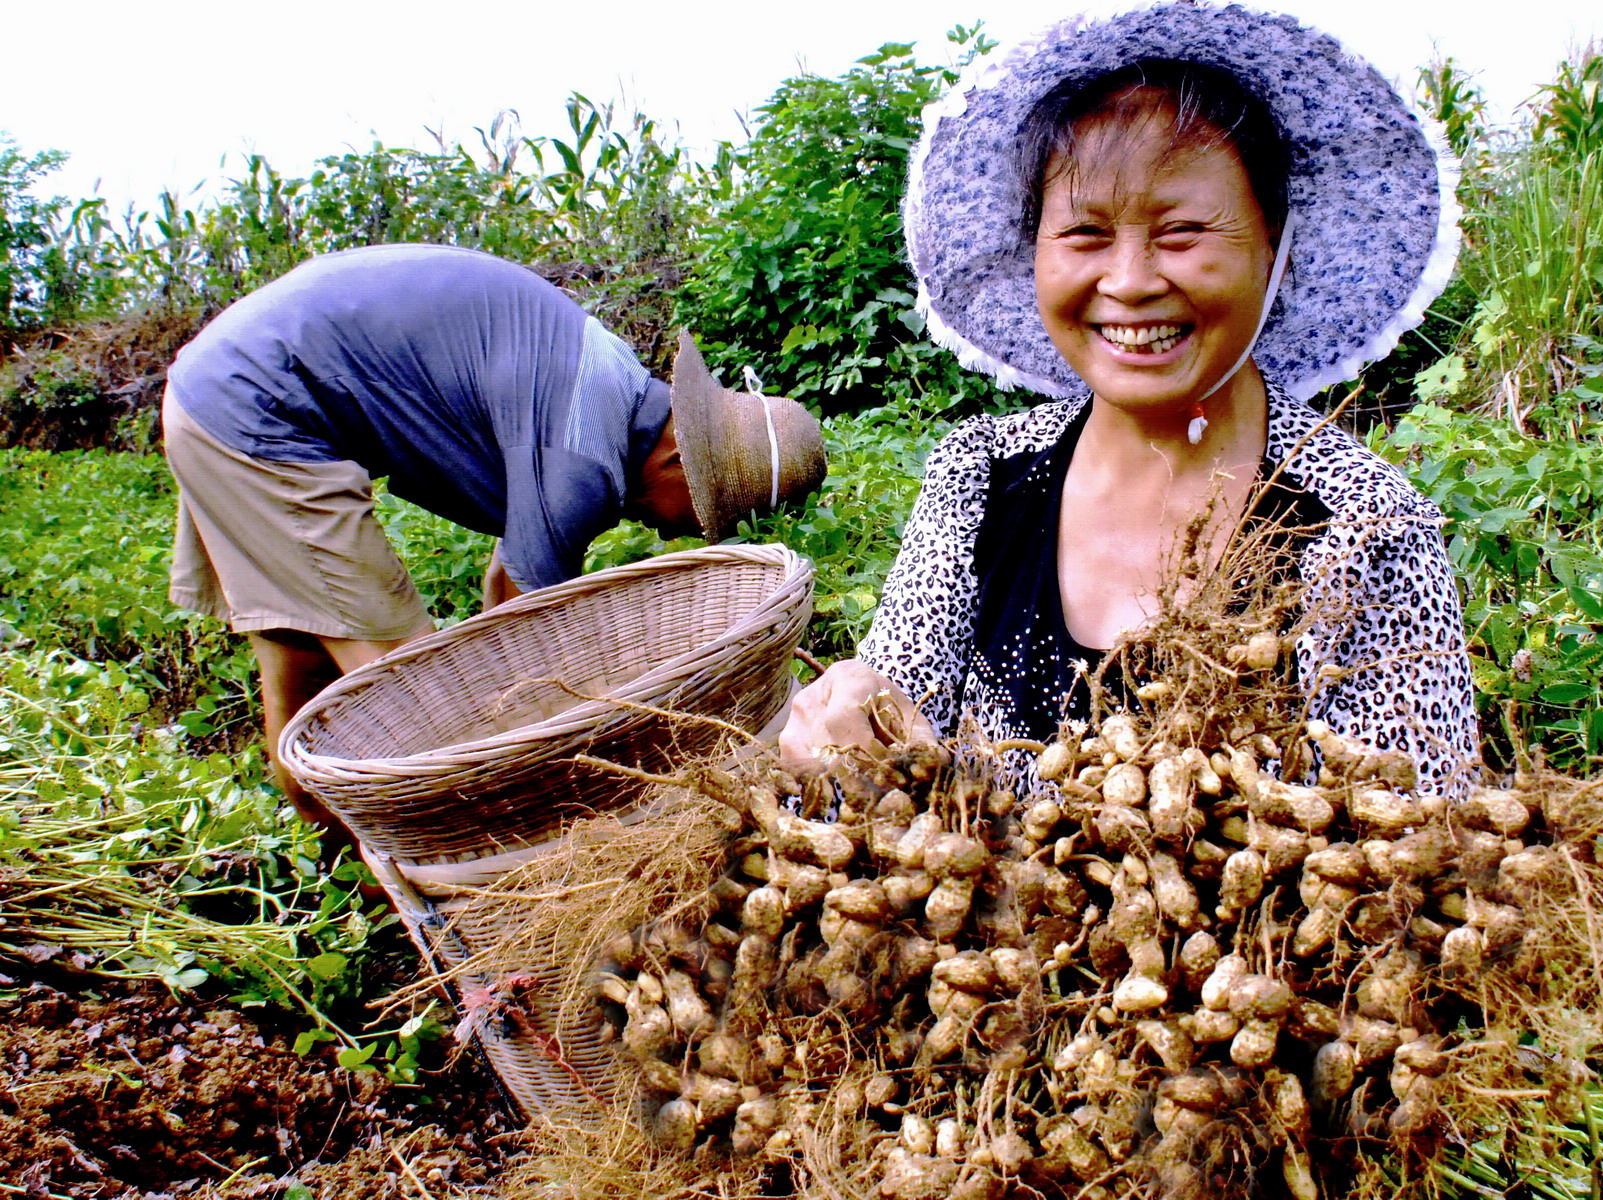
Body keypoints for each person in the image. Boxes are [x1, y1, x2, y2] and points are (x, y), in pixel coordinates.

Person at [780, 2, 1477, 793]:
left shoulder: (1363, 526)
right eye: (1084, 234)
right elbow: (894, 718)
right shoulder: (980, 480)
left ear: (1275, 248)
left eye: (1182, 233)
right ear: (1034, 250)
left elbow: (1417, 846)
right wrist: (853, 718)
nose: (1131, 282)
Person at [162, 243, 827, 839]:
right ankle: (432, 872)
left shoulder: (610, 383)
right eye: (700, 515)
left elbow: (504, 596)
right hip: (262, 411)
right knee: (408, 701)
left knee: (303, 650)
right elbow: (516, 634)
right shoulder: (581, 460)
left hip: (225, 385)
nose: (678, 532)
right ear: (679, 458)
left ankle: (339, 850)